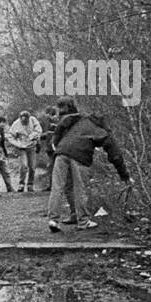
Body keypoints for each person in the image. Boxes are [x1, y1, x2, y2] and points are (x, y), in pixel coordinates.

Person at [46, 99, 133, 232]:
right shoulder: (101, 130)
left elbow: (59, 132)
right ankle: (83, 221)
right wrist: (124, 175)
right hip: (79, 156)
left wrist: (57, 148)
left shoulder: (81, 121)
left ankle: (53, 220)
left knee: (57, 187)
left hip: (61, 153)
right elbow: (115, 155)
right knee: (80, 189)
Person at [7, 110, 42, 192]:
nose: (24, 122)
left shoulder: (33, 120)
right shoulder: (16, 124)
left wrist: (33, 136)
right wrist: (17, 143)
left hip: (32, 146)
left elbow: (39, 130)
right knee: (24, 165)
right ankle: (21, 184)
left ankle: (30, 184)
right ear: (20, 119)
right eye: (22, 120)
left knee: (32, 166)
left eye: (26, 120)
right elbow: (10, 136)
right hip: (22, 147)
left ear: (28, 118)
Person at [0, 116, 16, 192]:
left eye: (4, 122)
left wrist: (5, 153)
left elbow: (2, 143)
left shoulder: (1, 130)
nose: (3, 124)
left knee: (5, 171)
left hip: (1, 153)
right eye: (1, 122)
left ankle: (9, 187)